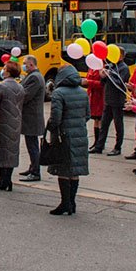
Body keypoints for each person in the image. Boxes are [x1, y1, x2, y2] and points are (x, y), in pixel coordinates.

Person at [46, 65, 90, 215]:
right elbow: (88, 115)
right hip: (80, 135)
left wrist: (51, 128)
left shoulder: (59, 93)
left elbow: (56, 118)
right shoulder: (83, 93)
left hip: (63, 136)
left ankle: (65, 203)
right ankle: (72, 202)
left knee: (63, 169)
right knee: (75, 170)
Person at [0, 60, 24, 191]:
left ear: (7, 72)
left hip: (2, 120)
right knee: (11, 150)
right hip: (15, 120)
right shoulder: (20, 87)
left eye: (4, 68)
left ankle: (3, 179)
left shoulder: (1, 86)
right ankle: (6, 178)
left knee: (1, 149)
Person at [91, 55, 129, 156]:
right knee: (104, 125)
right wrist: (103, 76)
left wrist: (108, 75)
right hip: (108, 100)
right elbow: (104, 82)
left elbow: (120, 83)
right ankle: (99, 146)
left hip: (117, 101)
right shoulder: (111, 66)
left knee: (118, 125)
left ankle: (117, 147)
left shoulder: (124, 68)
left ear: (121, 56)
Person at [18, 55, 45, 181]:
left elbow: (25, 95)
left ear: (31, 64)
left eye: (25, 63)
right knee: (31, 144)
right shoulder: (33, 76)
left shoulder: (35, 77)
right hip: (30, 117)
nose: (23, 65)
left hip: (32, 117)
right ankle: (32, 167)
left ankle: (35, 172)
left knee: (32, 145)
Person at [85, 66, 104, 148]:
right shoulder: (91, 68)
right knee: (95, 119)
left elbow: (102, 84)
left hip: (100, 97)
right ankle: (96, 141)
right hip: (92, 96)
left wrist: (89, 82)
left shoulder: (102, 68)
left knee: (99, 119)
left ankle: (100, 143)